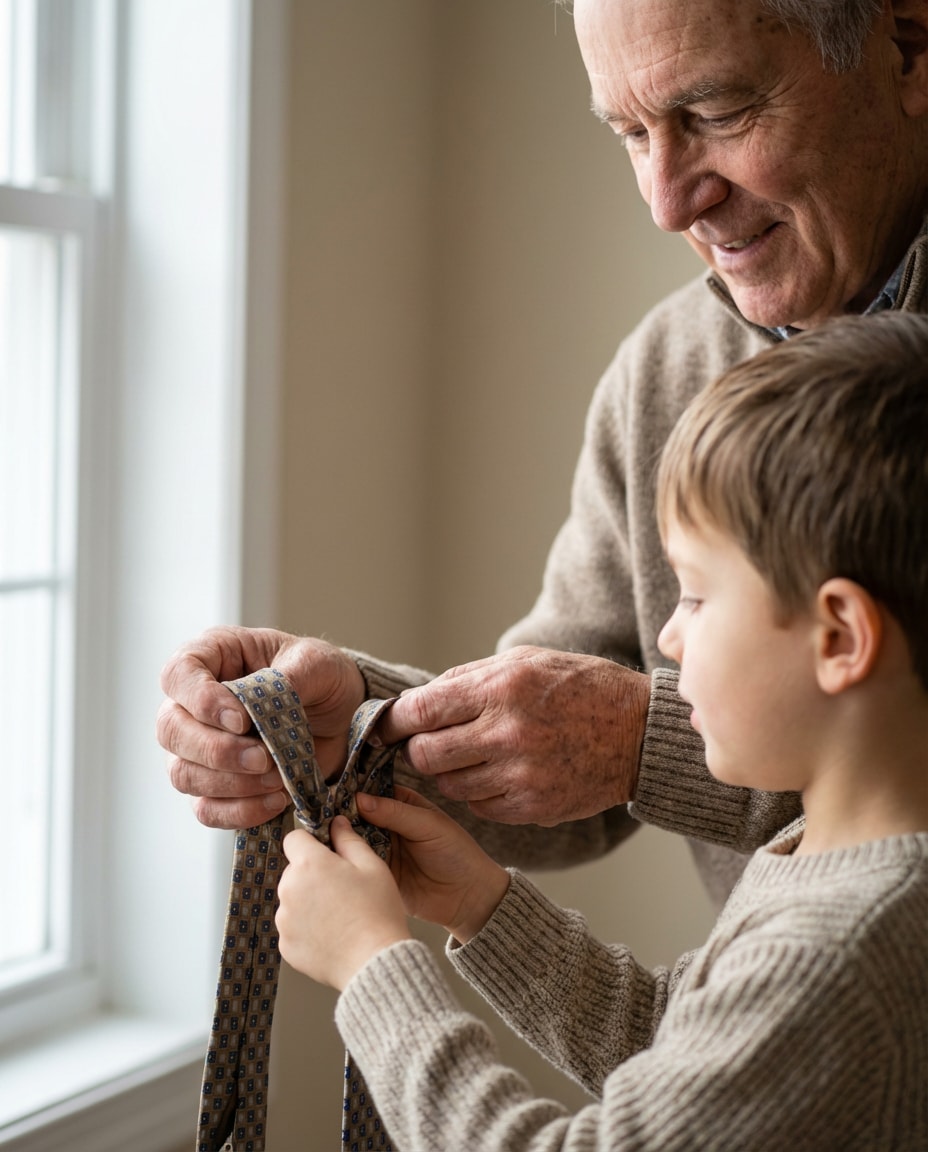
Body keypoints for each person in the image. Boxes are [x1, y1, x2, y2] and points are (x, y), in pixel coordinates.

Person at [157, 0, 928, 904]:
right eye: (633, 134)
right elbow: (569, 746)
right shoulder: (667, 370)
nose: (668, 201)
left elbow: (628, 733)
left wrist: (648, 741)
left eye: (714, 114)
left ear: (908, 50)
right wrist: (357, 723)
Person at [275, 313, 928, 1151]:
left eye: (695, 596)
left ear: (839, 636)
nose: (666, 637)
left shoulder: (843, 951)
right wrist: (479, 905)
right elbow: (682, 1043)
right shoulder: (833, 857)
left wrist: (373, 969)